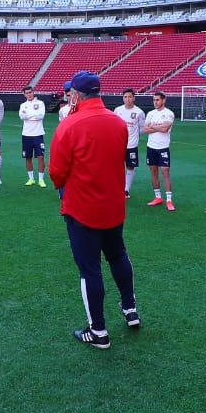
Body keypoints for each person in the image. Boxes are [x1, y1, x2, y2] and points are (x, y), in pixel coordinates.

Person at [49, 71, 139, 350]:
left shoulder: (69, 125)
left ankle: (98, 331)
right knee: (118, 256)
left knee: (90, 270)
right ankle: (130, 309)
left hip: (82, 209)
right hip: (113, 205)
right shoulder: (118, 122)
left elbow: (56, 174)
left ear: (76, 94)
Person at [143, 91, 175, 211]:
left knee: (165, 172)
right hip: (151, 147)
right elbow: (145, 129)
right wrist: (159, 128)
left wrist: (153, 127)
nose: (155, 102)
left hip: (163, 147)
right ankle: (157, 197)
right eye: (154, 100)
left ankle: (169, 200)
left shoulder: (169, 113)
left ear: (163, 100)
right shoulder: (150, 113)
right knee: (153, 171)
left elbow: (165, 129)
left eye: (157, 100)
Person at [113, 89, 146, 199]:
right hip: (118, 144)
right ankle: (116, 188)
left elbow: (142, 129)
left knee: (130, 167)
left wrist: (134, 138)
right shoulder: (117, 110)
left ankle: (126, 190)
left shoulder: (139, 112)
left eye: (130, 97)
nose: (128, 99)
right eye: (126, 97)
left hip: (131, 145)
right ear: (123, 98)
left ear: (134, 98)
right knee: (117, 167)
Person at [19, 84, 47, 188]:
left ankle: (41, 180)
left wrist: (29, 115)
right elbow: (22, 116)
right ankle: (31, 179)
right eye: (27, 93)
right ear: (24, 95)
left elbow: (41, 115)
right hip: (26, 134)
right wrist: (33, 115)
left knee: (40, 157)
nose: (29, 94)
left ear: (33, 92)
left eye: (30, 92)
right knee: (28, 157)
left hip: (38, 134)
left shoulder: (40, 103)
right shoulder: (23, 105)